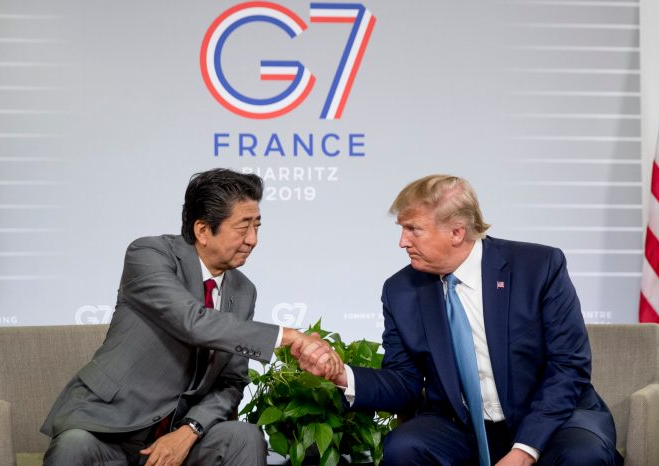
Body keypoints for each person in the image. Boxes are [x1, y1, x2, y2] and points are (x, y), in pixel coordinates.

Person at [298, 174, 622, 466]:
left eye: (414, 230)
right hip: (462, 426)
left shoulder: (538, 267)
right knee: (404, 447)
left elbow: (568, 367)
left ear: (456, 232)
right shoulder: (400, 290)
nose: (402, 242)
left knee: (583, 454)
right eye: (402, 229)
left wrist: (524, 451)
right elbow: (404, 383)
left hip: (551, 420)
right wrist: (342, 376)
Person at [41, 168, 336, 466]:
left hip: (178, 431)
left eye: (257, 226)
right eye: (243, 227)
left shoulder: (243, 291)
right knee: (74, 445)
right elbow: (192, 322)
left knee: (243, 437)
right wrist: (285, 336)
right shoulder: (149, 255)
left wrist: (190, 430)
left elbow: (231, 382)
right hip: (107, 427)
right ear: (203, 230)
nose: (253, 239)